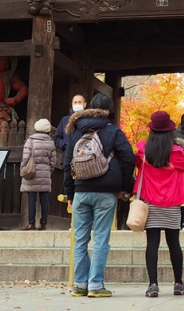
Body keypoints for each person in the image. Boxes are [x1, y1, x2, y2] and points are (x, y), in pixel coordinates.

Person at [63, 92, 135, 298]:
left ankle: (79, 284)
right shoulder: (112, 130)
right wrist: (124, 185)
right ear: (110, 109)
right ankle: (95, 285)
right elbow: (128, 157)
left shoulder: (75, 129)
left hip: (81, 190)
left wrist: (70, 190)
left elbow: (67, 162)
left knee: (80, 239)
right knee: (101, 238)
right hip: (106, 190)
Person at [134, 111, 184, 297]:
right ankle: (178, 283)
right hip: (172, 202)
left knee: (152, 244)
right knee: (173, 243)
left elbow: (137, 165)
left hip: (150, 202)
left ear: (151, 130)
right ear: (170, 131)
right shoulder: (176, 153)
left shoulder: (144, 151)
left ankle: (153, 284)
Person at [21, 118, 57, 230]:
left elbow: (25, 158)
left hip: (31, 173)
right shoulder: (51, 142)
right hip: (45, 174)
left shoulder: (30, 141)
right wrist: (48, 171)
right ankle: (43, 223)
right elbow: (53, 161)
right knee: (44, 199)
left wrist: (23, 168)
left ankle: (31, 223)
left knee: (32, 198)